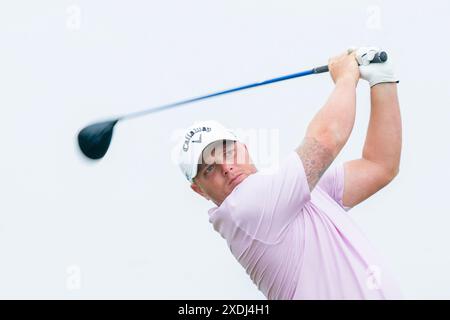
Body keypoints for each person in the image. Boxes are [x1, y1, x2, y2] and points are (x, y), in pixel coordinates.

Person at [175, 47, 402, 299]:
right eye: (209, 169)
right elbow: (326, 139)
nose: (226, 168)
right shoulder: (245, 210)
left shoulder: (294, 193)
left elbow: (379, 165)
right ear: (198, 190)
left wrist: (382, 79)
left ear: (244, 148)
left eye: (227, 152)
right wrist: (346, 78)